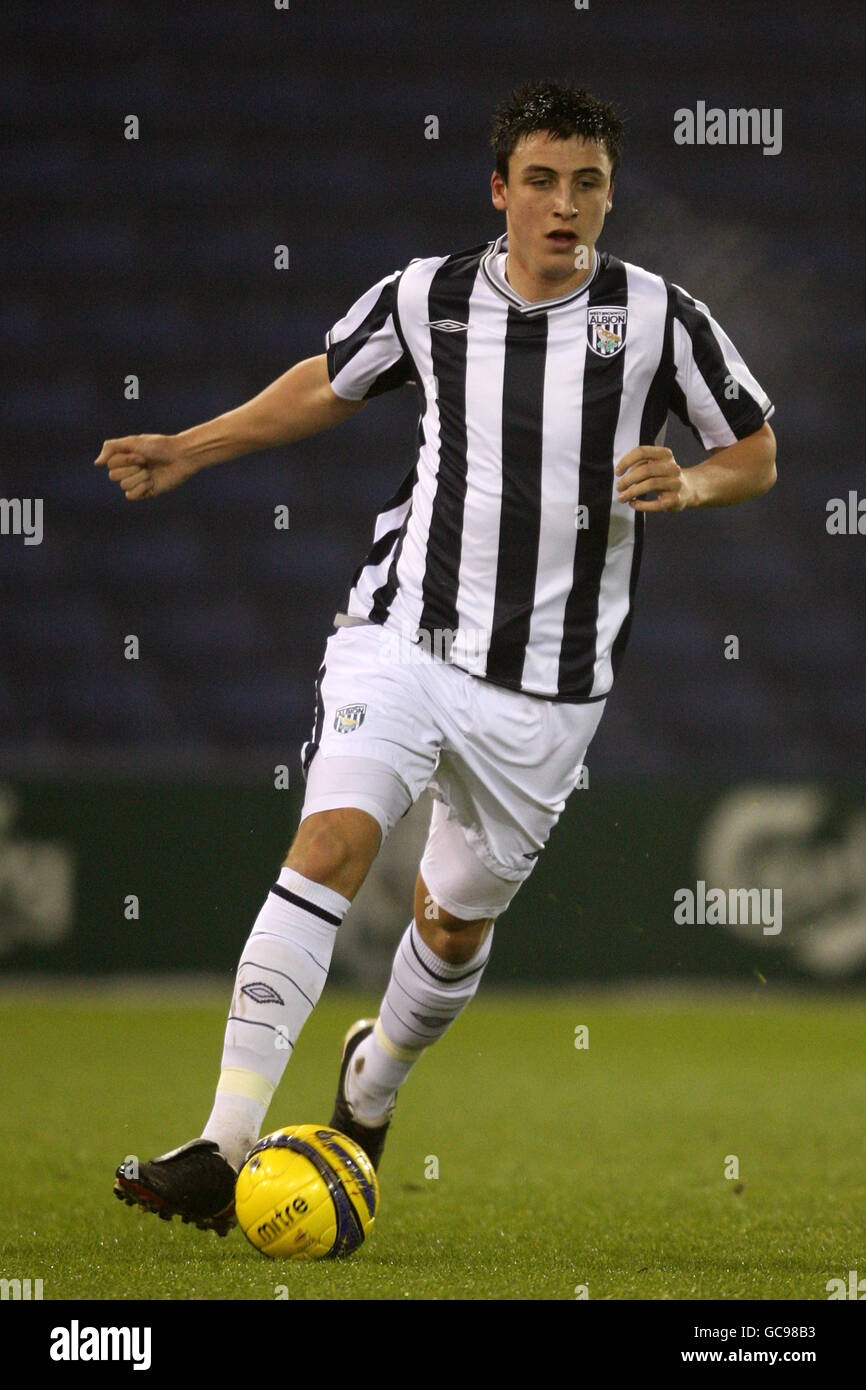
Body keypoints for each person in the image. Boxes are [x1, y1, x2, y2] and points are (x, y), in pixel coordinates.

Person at [98, 80, 776, 1235]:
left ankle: (368, 1089)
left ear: (609, 195)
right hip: (402, 636)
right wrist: (191, 448)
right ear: (499, 189)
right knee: (330, 841)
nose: (565, 206)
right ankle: (222, 1139)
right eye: (543, 182)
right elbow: (328, 380)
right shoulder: (428, 297)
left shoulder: (660, 317)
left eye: (589, 183)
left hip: (548, 693)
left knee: (452, 924)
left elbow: (753, 450)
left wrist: (692, 481)